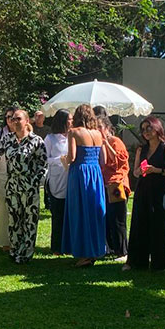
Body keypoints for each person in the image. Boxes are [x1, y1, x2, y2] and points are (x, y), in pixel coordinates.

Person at [0, 110, 48, 263]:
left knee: (29, 220)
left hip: (29, 186)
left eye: (18, 119)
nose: (15, 121)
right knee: (14, 220)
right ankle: (15, 250)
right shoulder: (8, 138)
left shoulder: (36, 141)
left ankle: (26, 253)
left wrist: (34, 182)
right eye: (12, 119)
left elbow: (43, 165)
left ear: (27, 121)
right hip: (12, 185)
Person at [126, 116, 165, 271]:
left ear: (157, 128)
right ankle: (137, 261)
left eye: (149, 128)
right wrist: (140, 171)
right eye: (143, 129)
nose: (146, 132)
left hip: (160, 190)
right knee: (140, 223)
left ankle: (159, 263)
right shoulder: (141, 149)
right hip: (143, 189)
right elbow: (135, 172)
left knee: (159, 224)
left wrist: (156, 170)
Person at [61, 104, 106, 267]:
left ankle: (84, 253)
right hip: (95, 173)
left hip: (80, 173)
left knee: (79, 211)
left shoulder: (74, 132)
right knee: (94, 211)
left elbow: (72, 157)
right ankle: (95, 250)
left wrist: (64, 159)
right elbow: (104, 160)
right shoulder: (98, 133)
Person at [98, 116, 131, 260]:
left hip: (117, 184)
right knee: (107, 217)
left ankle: (122, 251)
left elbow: (119, 161)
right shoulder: (98, 143)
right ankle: (110, 248)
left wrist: (106, 143)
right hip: (105, 183)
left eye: (100, 127)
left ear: (107, 128)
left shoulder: (115, 141)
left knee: (118, 218)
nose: (98, 130)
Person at [0, 106, 18, 250]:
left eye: (13, 117)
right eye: (8, 117)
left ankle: (18, 239)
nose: (10, 120)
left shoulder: (25, 134)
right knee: (3, 209)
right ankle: (5, 241)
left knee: (18, 208)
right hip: (3, 175)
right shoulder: (0, 133)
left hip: (19, 177)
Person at [44, 109, 72, 254]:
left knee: (70, 214)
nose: (71, 122)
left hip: (71, 179)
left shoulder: (72, 137)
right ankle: (57, 246)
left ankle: (69, 244)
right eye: (69, 120)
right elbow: (44, 158)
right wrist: (59, 160)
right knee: (58, 214)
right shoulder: (50, 139)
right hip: (56, 179)